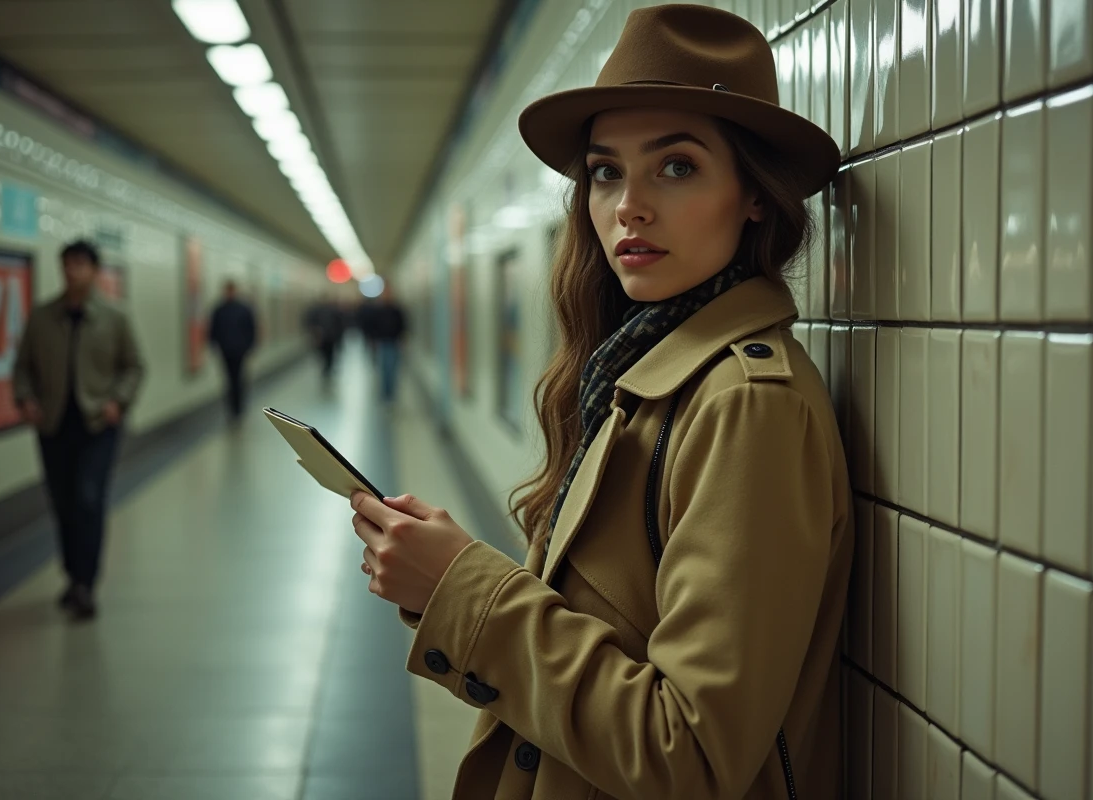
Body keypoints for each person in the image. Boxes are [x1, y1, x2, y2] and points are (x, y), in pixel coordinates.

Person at [346, 6, 851, 799]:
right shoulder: (639, 371)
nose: (628, 206)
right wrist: (446, 584)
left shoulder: (746, 407)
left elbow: (689, 754)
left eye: (676, 167)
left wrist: (461, 589)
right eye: (607, 172)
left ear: (754, 194)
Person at [12, 239, 145, 621]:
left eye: (80, 265)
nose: (72, 272)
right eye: (67, 264)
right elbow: (22, 367)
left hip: (98, 425)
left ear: (95, 271)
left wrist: (118, 401)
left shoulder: (114, 318)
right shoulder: (42, 317)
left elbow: (134, 366)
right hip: (54, 425)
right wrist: (26, 398)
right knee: (63, 502)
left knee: (88, 497)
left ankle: (86, 582)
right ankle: (72, 574)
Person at [208, 280, 256, 419]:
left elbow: (251, 329)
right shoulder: (219, 310)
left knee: (238, 378)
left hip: (240, 350)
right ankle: (232, 408)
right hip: (226, 350)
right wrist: (215, 345)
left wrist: (249, 346)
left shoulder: (243, 309)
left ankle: (239, 407)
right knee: (229, 380)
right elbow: (213, 330)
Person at [360, 285, 408, 401]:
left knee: (392, 367)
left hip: (393, 342)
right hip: (382, 342)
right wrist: (373, 339)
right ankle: (385, 391)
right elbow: (372, 325)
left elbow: (402, 325)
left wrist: (402, 338)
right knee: (384, 367)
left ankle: (390, 391)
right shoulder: (378, 310)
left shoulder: (396, 310)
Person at [303, 296, 345, 382]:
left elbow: (340, 323)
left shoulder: (333, 310)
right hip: (322, 336)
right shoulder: (317, 311)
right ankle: (327, 366)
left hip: (330, 336)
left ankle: (328, 366)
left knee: (329, 352)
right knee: (325, 352)